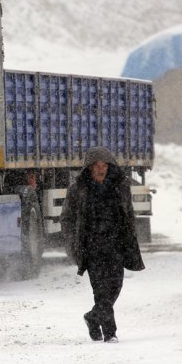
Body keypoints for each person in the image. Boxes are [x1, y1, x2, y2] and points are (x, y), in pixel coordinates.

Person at [60, 146, 145, 343]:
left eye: (104, 165)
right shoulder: (78, 189)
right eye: (97, 165)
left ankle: (92, 317)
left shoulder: (120, 186)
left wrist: (130, 239)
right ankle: (110, 332)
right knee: (101, 291)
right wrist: (73, 241)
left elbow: (128, 214)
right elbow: (66, 218)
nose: (101, 169)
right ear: (89, 168)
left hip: (116, 246)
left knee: (114, 287)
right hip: (91, 248)